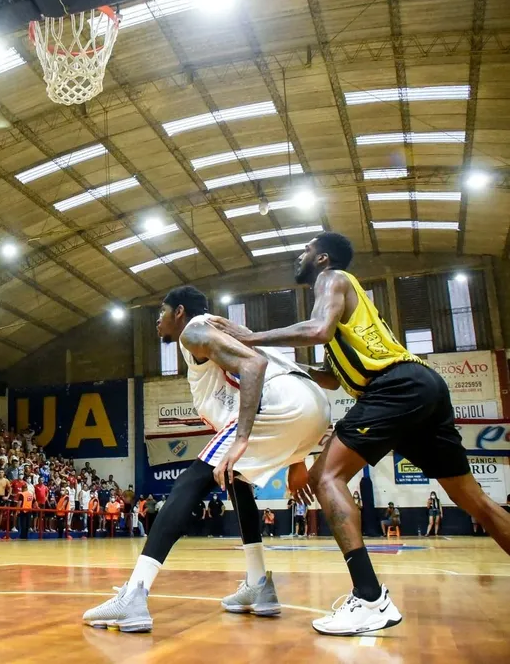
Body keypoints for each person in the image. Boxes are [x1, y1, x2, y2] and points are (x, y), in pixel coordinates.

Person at [208, 231, 510, 635]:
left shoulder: (332, 280)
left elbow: (316, 330)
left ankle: (369, 598)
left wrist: (251, 338)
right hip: (422, 387)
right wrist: (281, 361)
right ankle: (368, 597)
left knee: (325, 475)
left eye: (306, 250)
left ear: (323, 258)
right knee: (473, 501)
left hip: (395, 386)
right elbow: (332, 379)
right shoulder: (344, 308)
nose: (300, 255)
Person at [83, 285, 331, 633]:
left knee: (191, 481)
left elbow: (254, 365)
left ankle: (134, 595)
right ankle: (258, 585)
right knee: (236, 479)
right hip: (312, 408)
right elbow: (302, 377)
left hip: (280, 405)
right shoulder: (221, 334)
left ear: (180, 312)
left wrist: (243, 437)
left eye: (162, 311)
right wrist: (297, 457)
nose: (158, 319)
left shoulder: (195, 330)